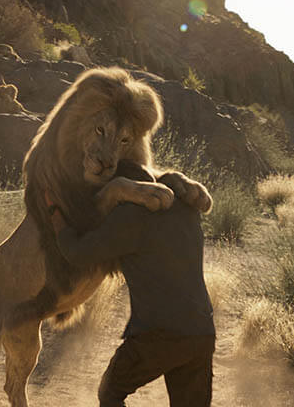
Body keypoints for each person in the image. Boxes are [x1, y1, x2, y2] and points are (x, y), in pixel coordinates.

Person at [49, 161, 215, 407]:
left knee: (110, 392)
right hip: (201, 331)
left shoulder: (130, 216)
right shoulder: (187, 210)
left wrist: (55, 214)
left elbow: (77, 253)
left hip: (157, 334)